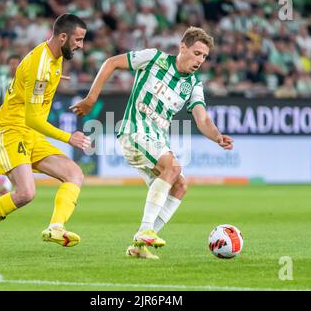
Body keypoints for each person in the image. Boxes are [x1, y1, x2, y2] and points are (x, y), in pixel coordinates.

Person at [70, 26, 234, 260]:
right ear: (183, 48)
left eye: (205, 56)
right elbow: (111, 63)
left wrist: (217, 136)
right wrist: (91, 98)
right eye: (197, 53)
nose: (200, 60)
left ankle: (139, 244)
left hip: (156, 139)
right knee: (174, 167)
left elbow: (202, 118)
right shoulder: (155, 58)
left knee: (180, 186)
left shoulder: (194, 84)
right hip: (133, 131)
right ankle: (146, 229)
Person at [0, 13, 91, 258]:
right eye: (78, 39)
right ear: (63, 36)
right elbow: (32, 118)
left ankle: (56, 227)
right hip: (10, 130)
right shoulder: (42, 65)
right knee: (25, 194)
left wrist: (51, 78)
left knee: (74, 174)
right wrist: (67, 137)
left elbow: (30, 84)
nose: (80, 46)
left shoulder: (54, 57)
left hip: (30, 132)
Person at [0, 54, 21, 196]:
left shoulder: (25, 79)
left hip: (21, 121)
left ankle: (10, 185)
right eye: (11, 63)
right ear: (7, 65)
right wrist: (1, 111)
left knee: (17, 153)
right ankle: (11, 185)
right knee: (11, 153)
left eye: (16, 63)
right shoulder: (0, 80)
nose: (14, 66)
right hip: (5, 122)